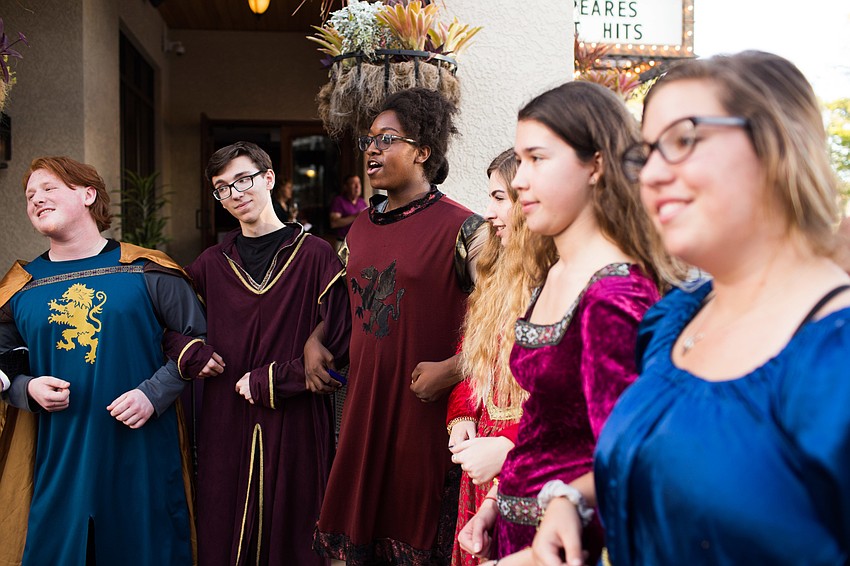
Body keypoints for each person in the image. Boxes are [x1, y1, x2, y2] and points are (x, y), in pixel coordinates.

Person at [586, 51, 850, 565]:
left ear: (776, 144)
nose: (652, 175)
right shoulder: (674, 322)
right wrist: (570, 501)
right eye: (646, 154)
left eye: (683, 140)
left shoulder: (835, 358)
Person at [458, 81, 678, 565]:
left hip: (569, 545)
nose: (519, 180)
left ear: (596, 165)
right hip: (518, 526)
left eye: (537, 159)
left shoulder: (614, 295)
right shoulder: (556, 269)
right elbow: (546, 423)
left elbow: (627, 457)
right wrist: (497, 500)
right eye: (520, 160)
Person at [312, 87, 487, 565]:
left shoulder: (464, 229)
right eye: (369, 139)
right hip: (364, 408)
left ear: (422, 151)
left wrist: (455, 367)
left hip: (424, 416)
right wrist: (315, 341)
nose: (371, 148)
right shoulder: (360, 228)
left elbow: (507, 316)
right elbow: (344, 305)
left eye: (387, 139)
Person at [0, 156, 204, 564]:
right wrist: (27, 387)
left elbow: (198, 342)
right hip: (57, 464)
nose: (36, 199)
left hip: (141, 457)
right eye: (29, 195)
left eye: (49, 188)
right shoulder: (21, 286)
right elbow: (2, 363)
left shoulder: (147, 269)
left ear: (88, 194)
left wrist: (153, 393)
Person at [168, 141, 350, 565]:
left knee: (295, 528)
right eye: (222, 187)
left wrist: (274, 379)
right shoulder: (211, 263)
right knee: (223, 524)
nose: (235, 192)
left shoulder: (316, 256)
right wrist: (191, 351)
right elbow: (166, 325)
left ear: (268, 179)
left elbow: (339, 337)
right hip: (223, 419)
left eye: (243, 179)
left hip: (297, 418)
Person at [445, 149, 554, 566]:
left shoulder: (559, 281)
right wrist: (463, 419)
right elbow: (471, 360)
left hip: (531, 456)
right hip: (481, 454)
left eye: (498, 198)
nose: (488, 213)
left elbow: (567, 401)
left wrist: (508, 449)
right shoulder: (492, 274)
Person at [329, 173, 368, 246]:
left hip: (359, 242)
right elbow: (334, 223)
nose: (357, 186)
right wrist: (356, 216)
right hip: (343, 243)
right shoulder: (339, 201)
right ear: (346, 187)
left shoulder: (362, 202)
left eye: (359, 183)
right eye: (353, 183)